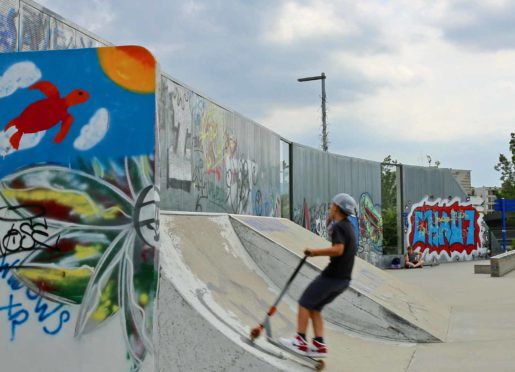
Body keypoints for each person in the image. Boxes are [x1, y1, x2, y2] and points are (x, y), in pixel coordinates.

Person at [280, 193, 358, 358]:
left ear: (336, 207)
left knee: (304, 303)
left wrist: (314, 252)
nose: (330, 208)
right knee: (315, 307)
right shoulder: (350, 227)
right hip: (344, 281)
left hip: (332, 277)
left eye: (331, 205)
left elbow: (339, 249)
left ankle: (300, 341)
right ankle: (319, 345)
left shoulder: (339, 227)